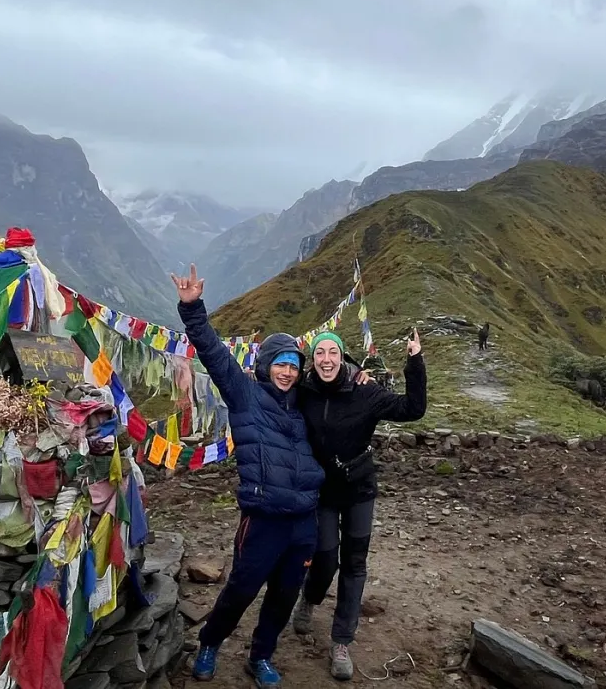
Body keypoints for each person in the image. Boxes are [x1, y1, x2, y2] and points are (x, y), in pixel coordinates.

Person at [171, 265, 324, 687]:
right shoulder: (245, 395)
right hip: (263, 518)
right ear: (266, 365)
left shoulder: (304, 403)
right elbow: (215, 355)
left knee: (283, 594)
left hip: (303, 522)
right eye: (281, 364)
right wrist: (192, 310)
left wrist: (356, 377)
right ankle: (210, 641)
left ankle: (262, 656)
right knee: (242, 587)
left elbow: (338, 398)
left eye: (294, 366)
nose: (288, 372)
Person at [293, 329, 428, 681]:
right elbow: (271, 385)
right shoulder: (303, 391)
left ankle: (341, 642)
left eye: (332, 353)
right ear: (313, 359)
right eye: (319, 353)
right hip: (321, 491)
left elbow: (413, 409)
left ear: (342, 356)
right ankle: (309, 597)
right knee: (324, 558)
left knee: (354, 563)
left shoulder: (365, 390)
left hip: (359, 490)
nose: (326, 359)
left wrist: (414, 361)